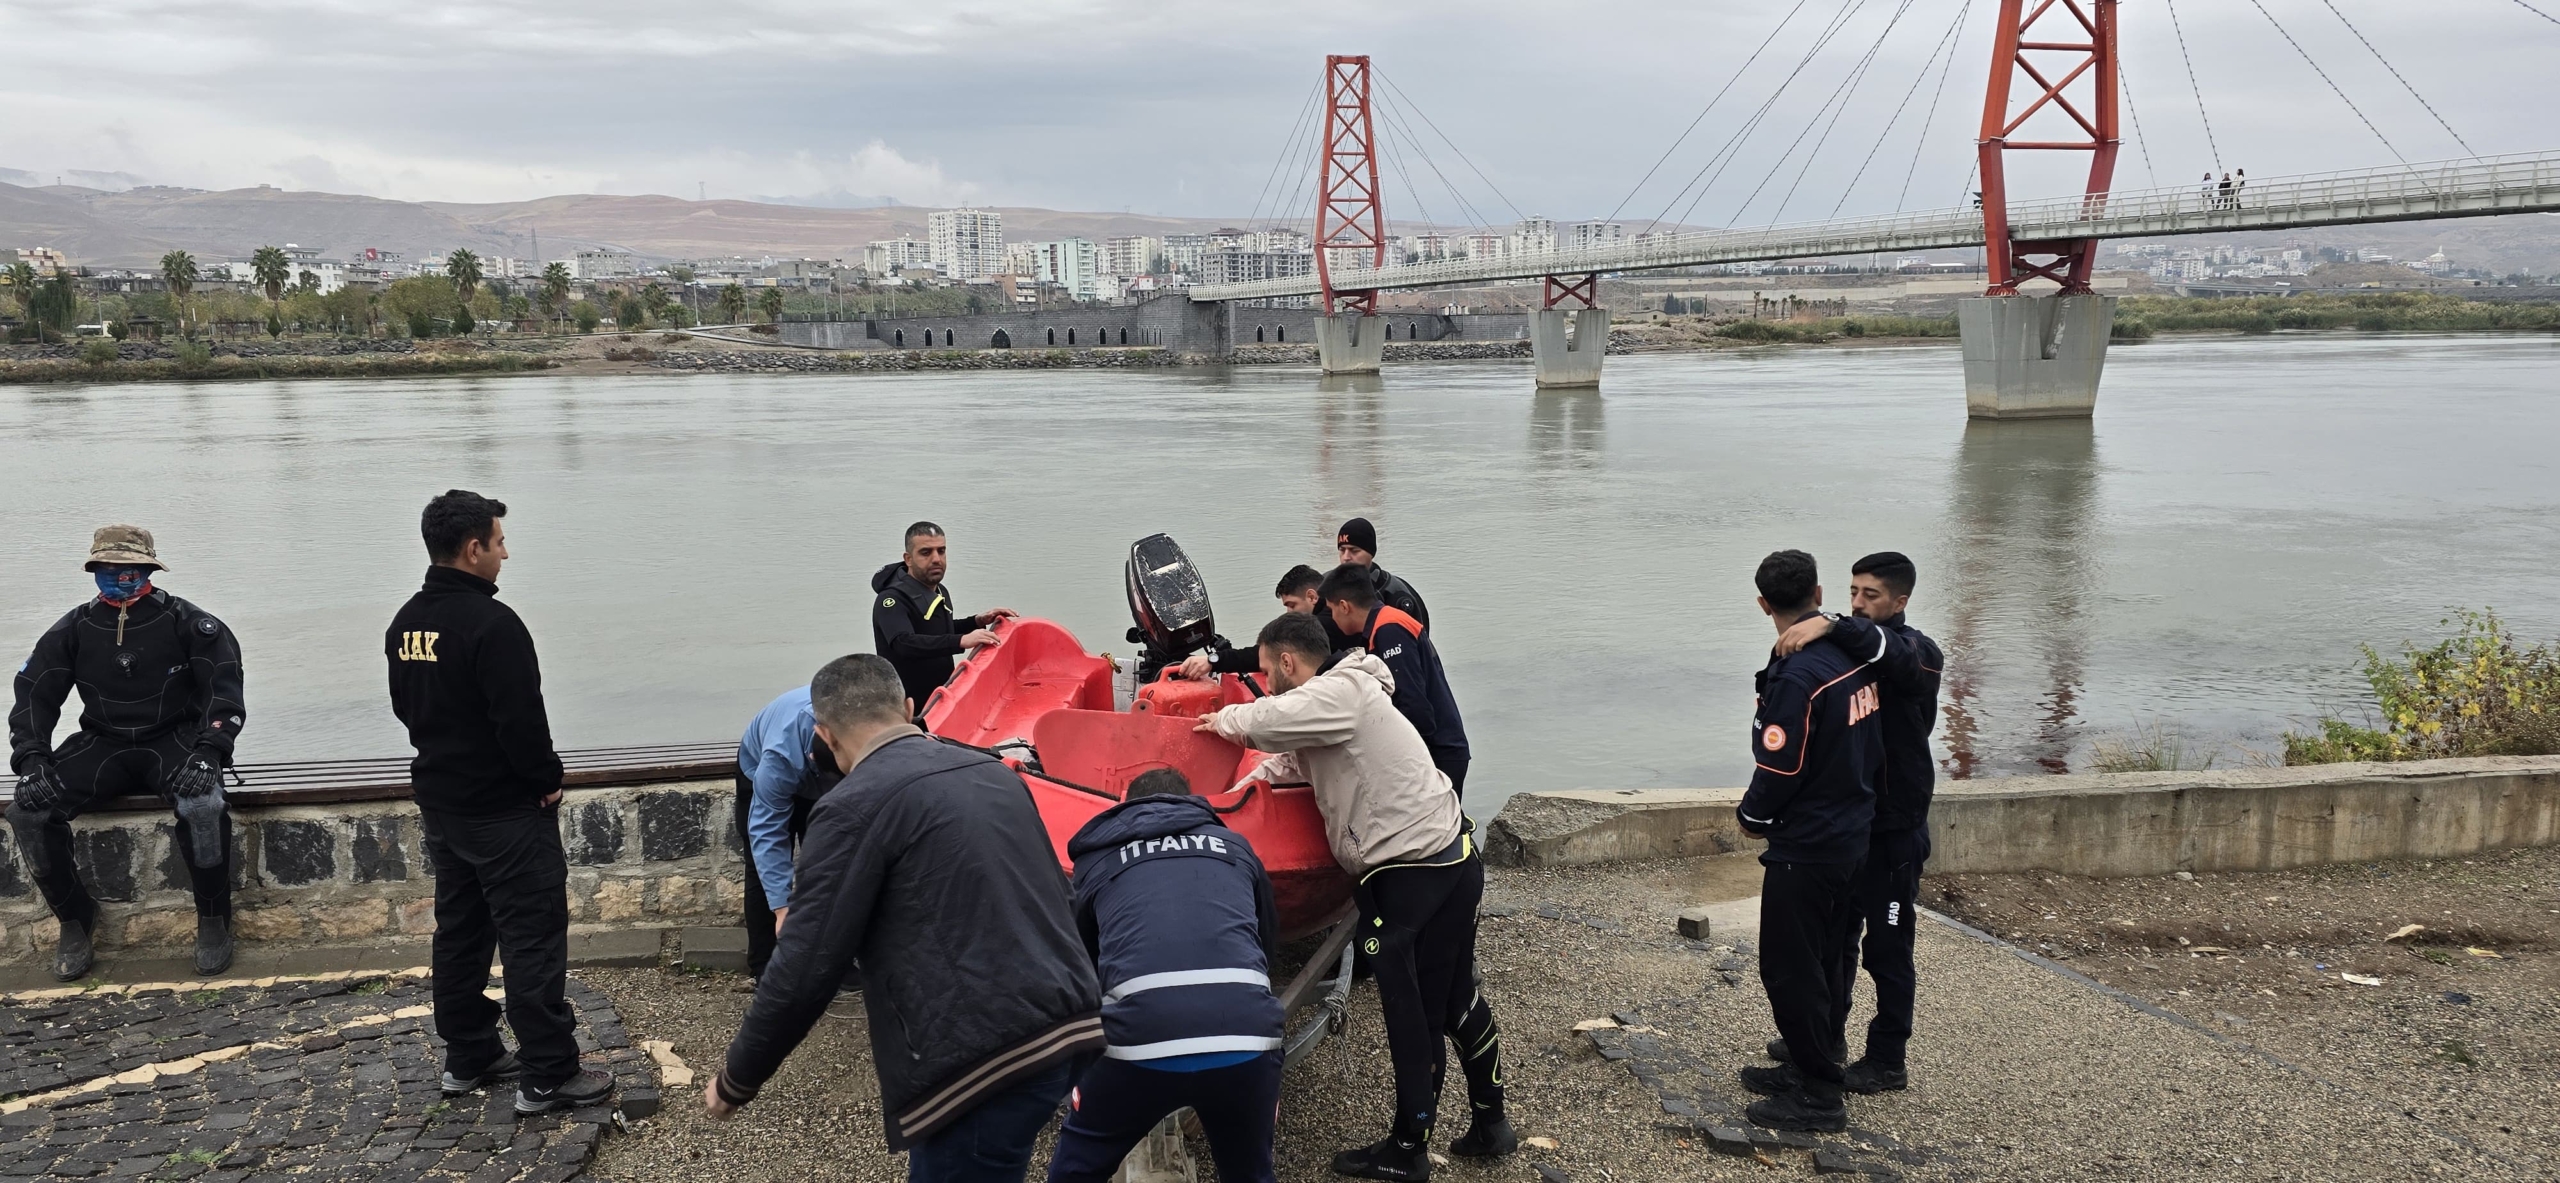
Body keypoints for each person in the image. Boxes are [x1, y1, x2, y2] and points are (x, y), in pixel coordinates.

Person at [708, 654, 1102, 1183]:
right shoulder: (994, 773)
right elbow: (1064, 895)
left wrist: (738, 1077)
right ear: (910, 708)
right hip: (1070, 1027)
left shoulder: (851, 807)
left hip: (982, 1062)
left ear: (825, 735)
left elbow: (805, 963)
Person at [1198, 612, 1513, 1179]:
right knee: (1453, 1000)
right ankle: (1493, 1124)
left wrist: (1220, 720)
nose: (1267, 680)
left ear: (1288, 663)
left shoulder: (1338, 691)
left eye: (1268, 669)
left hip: (1413, 874)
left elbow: (1268, 720)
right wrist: (1246, 788)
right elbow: (1295, 758)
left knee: (1412, 1013)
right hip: (1453, 856)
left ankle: (1408, 1150)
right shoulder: (1347, 701)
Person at [386, 490, 612, 1114]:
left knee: (460, 932)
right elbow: (520, 723)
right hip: (504, 810)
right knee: (531, 936)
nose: (505, 554)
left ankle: (469, 1054)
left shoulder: (407, 621)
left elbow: (407, 708)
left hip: (444, 803)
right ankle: (549, 1073)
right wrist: (545, 777)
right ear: (472, 547)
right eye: (499, 542)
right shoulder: (493, 624)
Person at [8, 525, 246, 980]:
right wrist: (32, 757)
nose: (121, 577)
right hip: (103, 742)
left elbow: (225, 692)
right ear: (94, 570)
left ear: (150, 569)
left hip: (175, 741)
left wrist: (212, 751)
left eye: (131, 568)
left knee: (202, 805)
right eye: (110, 568)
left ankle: (214, 920)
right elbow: (35, 695)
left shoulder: (191, 623)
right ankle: (75, 920)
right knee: (28, 813)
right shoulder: (73, 628)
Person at [1046, 768, 1285, 1183]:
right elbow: (1267, 942)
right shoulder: (1236, 847)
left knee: (1078, 1167)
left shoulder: (1099, 858)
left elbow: (1081, 963)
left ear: (1127, 805)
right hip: (1246, 1039)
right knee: (1250, 1173)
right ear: (1191, 802)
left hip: (1137, 1046)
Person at [1773, 552, 1943, 1094]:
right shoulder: (1852, 648)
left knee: (1888, 949)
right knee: (1834, 940)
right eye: (1852, 592)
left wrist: (1832, 622)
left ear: (1900, 601)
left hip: (1896, 828)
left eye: (1871, 595)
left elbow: (1892, 651)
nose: (1859, 602)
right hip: (1852, 827)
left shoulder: (1918, 653)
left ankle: (1889, 1058)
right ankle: (1826, 1040)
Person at [1731, 550, 1881, 1134]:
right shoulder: (1854, 654)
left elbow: (1781, 766)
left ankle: (1819, 1094)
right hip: (1854, 832)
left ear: (1763, 604)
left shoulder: (1798, 677)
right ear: (1819, 592)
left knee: (1790, 968)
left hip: (1810, 844)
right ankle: (1814, 1056)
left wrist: (1752, 815)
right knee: (1832, 954)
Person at [1317, 563, 1471, 799]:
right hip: (1439, 748)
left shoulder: (1389, 630)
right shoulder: (1382, 626)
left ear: (1344, 606)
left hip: (1439, 752)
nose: (1332, 618)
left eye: (1331, 610)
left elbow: (1413, 703)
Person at [733, 685, 843, 981]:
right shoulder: (781, 755)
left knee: (825, 864)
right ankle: (766, 970)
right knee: (760, 868)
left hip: (827, 770)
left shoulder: (864, 737)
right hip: (757, 770)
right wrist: (782, 909)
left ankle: (831, 961)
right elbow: (768, 834)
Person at [872, 521, 1015, 715]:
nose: (936, 559)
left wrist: (977, 621)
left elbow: (938, 631)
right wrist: (961, 642)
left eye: (941, 551)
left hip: (940, 699)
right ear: (908, 559)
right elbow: (904, 643)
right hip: (908, 709)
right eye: (926, 552)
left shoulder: (939, 590)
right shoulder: (891, 600)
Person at [1174, 564, 1325, 680]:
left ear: (1312, 597)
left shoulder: (1323, 627)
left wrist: (1213, 660)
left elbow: (1264, 654)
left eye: (1292, 605)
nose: (1289, 613)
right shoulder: (1335, 607)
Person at [1335, 518, 1429, 629]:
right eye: (1342, 550)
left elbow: (1420, 639)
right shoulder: (1324, 586)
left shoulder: (1395, 592)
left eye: (1354, 551)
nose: (1346, 557)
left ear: (1371, 553)